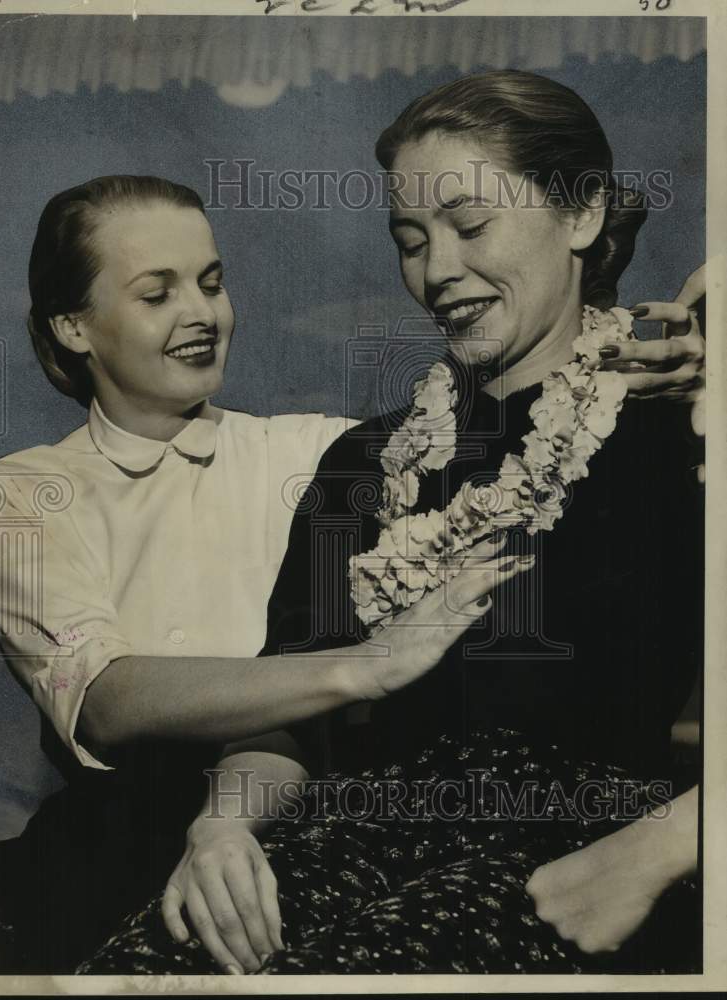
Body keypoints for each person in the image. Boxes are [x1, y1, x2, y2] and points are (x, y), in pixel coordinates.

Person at [77, 71, 705, 976]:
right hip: (349, 838)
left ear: (581, 215)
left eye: (470, 225)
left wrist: (655, 853)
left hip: (577, 862)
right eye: (410, 241)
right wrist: (221, 830)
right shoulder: (358, 468)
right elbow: (287, 718)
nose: (436, 270)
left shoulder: (682, 429)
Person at [0, 174, 532, 972]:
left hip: (305, 817)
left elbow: (514, 434)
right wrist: (364, 667)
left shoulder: (313, 453)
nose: (202, 313)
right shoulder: (14, 494)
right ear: (73, 326)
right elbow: (104, 702)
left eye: (211, 283)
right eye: (157, 294)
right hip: (113, 844)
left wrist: (646, 364)